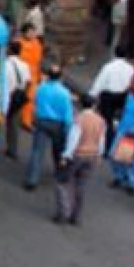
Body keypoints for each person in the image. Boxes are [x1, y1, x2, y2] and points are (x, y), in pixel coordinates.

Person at [56, 94, 108, 226]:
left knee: (62, 182)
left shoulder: (79, 119)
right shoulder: (101, 121)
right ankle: (76, 216)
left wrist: (66, 155)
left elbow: (73, 139)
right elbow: (101, 141)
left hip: (78, 155)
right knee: (81, 186)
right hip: (92, 156)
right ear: (94, 105)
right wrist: (99, 155)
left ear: (80, 105)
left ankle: (63, 212)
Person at [25, 65, 72, 191]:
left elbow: (35, 103)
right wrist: (67, 128)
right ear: (60, 77)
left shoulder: (40, 88)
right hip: (58, 124)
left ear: (48, 75)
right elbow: (67, 114)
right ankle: (60, 173)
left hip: (42, 121)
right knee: (59, 150)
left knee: (37, 152)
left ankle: (32, 180)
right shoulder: (64, 93)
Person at [2, 41, 33, 160]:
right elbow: (29, 82)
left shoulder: (5, 65)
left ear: (9, 50)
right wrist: (23, 94)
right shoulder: (24, 65)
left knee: (1, 122)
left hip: (7, 95)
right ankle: (12, 149)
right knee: (14, 124)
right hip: (18, 97)